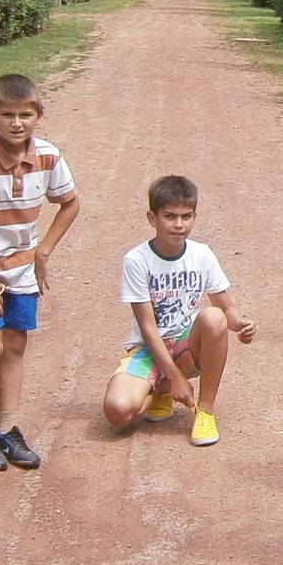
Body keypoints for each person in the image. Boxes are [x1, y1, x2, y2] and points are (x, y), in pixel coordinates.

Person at [0, 73, 81, 471]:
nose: (17, 123)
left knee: (14, 344)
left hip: (21, 268)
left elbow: (70, 203)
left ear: (39, 115)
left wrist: (43, 251)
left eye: (25, 115)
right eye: (7, 114)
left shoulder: (48, 156)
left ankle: (8, 429)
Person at [103, 175, 257, 447]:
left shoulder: (201, 254)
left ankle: (205, 411)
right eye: (169, 216)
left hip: (187, 345)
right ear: (152, 218)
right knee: (118, 411)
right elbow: (148, 328)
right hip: (150, 348)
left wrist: (240, 325)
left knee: (213, 317)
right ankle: (162, 388)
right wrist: (175, 379)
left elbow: (225, 306)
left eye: (186, 216)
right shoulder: (137, 260)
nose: (178, 224)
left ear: (195, 216)